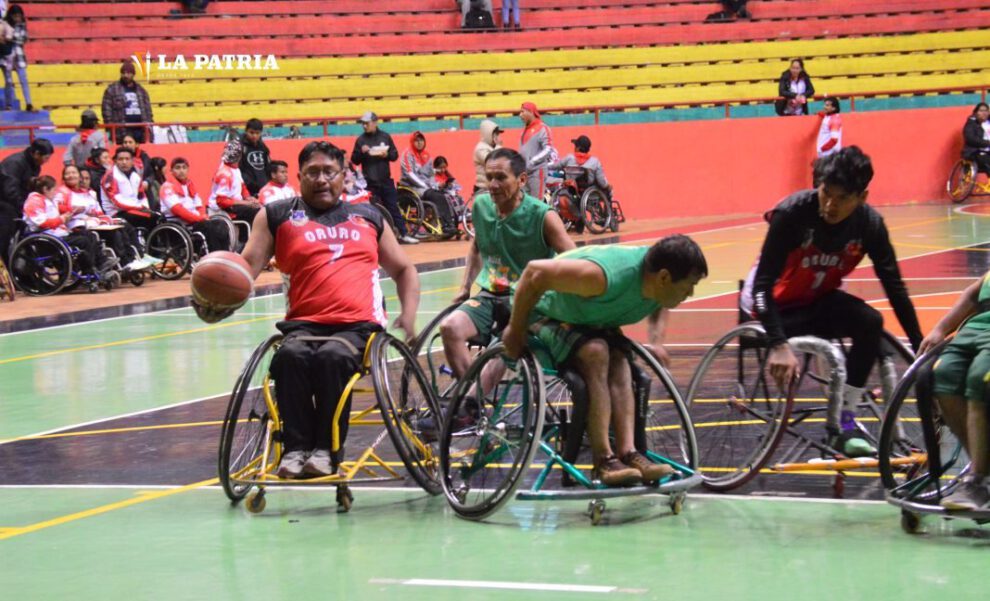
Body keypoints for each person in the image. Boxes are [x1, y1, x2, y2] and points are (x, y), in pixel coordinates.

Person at [193, 141, 421, 479]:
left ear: (344, 176)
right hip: (302, 325)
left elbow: (404, 269)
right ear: (299, 177)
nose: (321, 179)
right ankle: (295, 449)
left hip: (357, 327)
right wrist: (214, 299)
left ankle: (326, 451)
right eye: (312, 172)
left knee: (331, 358)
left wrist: (409, 314)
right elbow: (246, 270)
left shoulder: (369, 216)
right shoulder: (276, 215)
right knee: (290, 358)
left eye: (329, 172)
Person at [740, 146, 923, 457]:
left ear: (861, 197)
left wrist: (920, 348)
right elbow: (762, 286)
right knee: (831, 350)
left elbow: (895, 288)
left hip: (814, 300)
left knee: (871, 323)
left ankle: (845, 424)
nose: (830, 204)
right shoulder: (793, 214)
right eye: (826, 192)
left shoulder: (869, 225)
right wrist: (778, 343)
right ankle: (842, 423)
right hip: (769, 307)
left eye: (842, 198)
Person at [501, 235, 708, 486]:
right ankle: (603, 460)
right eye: (689, 285)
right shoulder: (600, 277)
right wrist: (515, 328)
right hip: (540, 310)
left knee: (620, 360)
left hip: (587, 317)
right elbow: (534, 273)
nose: (690, 293)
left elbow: (661, 301)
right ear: (664, 277)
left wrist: (656, 340)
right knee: (596, 352)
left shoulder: (657, 280)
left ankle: (628, 453)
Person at [439, 147, 574, 379]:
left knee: (501, 347)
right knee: (449, 328)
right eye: (489, 177)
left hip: (528, 300)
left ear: (522, 179)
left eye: (501, 177)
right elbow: (476, 246)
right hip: (490, 294)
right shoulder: (481, 206)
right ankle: (473, 402)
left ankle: (470, 401)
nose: (493, 184)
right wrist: (464, 288)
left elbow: (574, 260)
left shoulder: (543, 216)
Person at [918, 272, 990, 509]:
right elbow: (973, 294)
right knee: (942, 374)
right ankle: (983, 473)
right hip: (976, 327)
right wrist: (940, 328)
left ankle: (979, 480)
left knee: (979, 376)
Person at [60, 164, 149, 272]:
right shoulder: (62, 192)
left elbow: (98, 211)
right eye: (67, 173)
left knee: (123, 226)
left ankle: (136, 257)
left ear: (79, 176)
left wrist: (101, 218)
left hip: (94, 222)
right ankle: (124, 263)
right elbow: (60, 209)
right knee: (114, 233)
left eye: (73, 173)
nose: (71, 175)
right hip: (76, 225)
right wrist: (75, 210)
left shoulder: (88, 193)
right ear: (64, 177)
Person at [351, 111, 418, 244]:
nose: (364, 126)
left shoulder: (385, 137)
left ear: (375, 122)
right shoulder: (361, 140)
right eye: (363, 124)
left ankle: (403, 234)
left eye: (367, 123)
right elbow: (355, 160)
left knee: (393, 207)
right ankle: (374, 238)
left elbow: (394, 155)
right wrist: (361, 152)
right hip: (369, 182)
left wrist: (386, 154)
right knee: (372, 210)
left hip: (385, 180)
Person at [23, 175, 106, 277]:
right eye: (54, 189)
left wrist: (66, 216)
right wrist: (62, 219)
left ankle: (100, 265)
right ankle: (89, 271)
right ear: (45, 189)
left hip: (56, 234)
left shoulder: (46, 200)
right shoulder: (34, 201)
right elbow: (43, 222)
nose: (56, 193)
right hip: (47, 239)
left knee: (90, 235)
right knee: (83, 241)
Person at [160, 157, 230, 253]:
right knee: (208, 226)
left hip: (194, 221)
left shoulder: (189, 185)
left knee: (220, 223)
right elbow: (178, 209)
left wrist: (202, 215)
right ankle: (215, 256)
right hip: (179, 223)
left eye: (184, 168)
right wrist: (199, 219)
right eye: (178, 168)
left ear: (188, 169)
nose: (181, 171)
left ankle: (225, 254)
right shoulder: (167, 187)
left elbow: (199, 205)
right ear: (171, 171)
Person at [0, 137, 52, 259]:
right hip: (5, 203)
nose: (47, 161)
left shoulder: (35, 165)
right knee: (5, 238)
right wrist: (24, 206)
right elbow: (10, 189)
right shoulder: (14, 163)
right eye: (46, 158)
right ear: (36, 154)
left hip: (18, 203)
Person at [400, 131, 456, 238]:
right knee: (436, 196)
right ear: (412, 141)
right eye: (416, 140)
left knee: (442, 194)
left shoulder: (427, 155)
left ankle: (449, 224)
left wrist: (435, 185)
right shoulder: (407, 154)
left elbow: (430, 176)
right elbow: (410, 174)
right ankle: (446, 226)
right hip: (411, 187)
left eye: (421, 140)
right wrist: (425, 186)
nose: (419, 143)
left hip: (425, 187)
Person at [101, 147, 160, 236]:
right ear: (115, 161)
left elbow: (142, 196)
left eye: (127, 159)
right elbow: (117, 202)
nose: (124, 162)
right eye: (120, 159)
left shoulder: (135, 176)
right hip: (116, 213)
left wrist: (146, 208)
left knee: (158, 216)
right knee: (152, 217)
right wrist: (140, 208)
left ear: (132, 161)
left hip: (133, 209)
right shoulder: (110, 176)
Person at [208, 138, 260, 227]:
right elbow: (221, 201)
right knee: (256, 212)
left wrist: (249, 198)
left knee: (260, 207)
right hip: (221, 209)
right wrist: (246, 203)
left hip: (234, 204)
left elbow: (242, 187)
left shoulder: (235, 169)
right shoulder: (225, 174)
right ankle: (245, 239)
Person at [101, 61, 153, 143]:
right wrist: (111, 128)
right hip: (121, 130)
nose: (126, 75)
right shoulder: (112, 90)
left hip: (140, 129)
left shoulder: (141, 91)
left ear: (133, 74)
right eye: (123, 73)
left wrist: (148, 127)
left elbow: (148, 111)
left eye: (128, 73)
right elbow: (106, 111)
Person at [519, 102, 556, 200]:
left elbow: (548, 148)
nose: (520, 115)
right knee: (525, 202)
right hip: (525, 172)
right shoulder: (525, 130)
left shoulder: (543, 128)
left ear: (530, 112)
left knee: (536, 203)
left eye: (522, 112)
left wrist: (533, 161)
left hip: (537, 172)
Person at [3, 5, 30, 112]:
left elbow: (23, 39)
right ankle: (8, 104)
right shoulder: (4, 24)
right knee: (8, 81)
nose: (17, 18)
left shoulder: (22, 25)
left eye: (19, 16)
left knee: (24, 80)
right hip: (7, 56)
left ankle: (28, 103)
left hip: (19, 56)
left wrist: (9, 38)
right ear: (11, 16)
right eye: (15, 16)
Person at [239, 118, 271, 197]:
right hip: (247, 190)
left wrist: (268, 182)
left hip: (263, 188)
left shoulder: (263, 147)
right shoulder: (240, 147)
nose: (254, 136)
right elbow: (238, 169)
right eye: (251, 132)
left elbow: (268, 166)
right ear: (246, 131)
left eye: (257, 133)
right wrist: (249, 183)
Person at [472, 119, 501, 196]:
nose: (498, 137)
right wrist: (499, 146)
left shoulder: (493, 147)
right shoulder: (480, 148)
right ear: (488, 134)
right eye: (496, 134)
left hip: (492, 188)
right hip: (483, 189)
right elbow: (492, 163)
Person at [962, 102, 990, 176]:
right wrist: (987, 143)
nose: (984, 113)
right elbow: (970, 139)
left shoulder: (988, 123)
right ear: (975, 113)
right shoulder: (971, 124)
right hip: (975, 153)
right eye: (981, 111)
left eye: (986, 111)